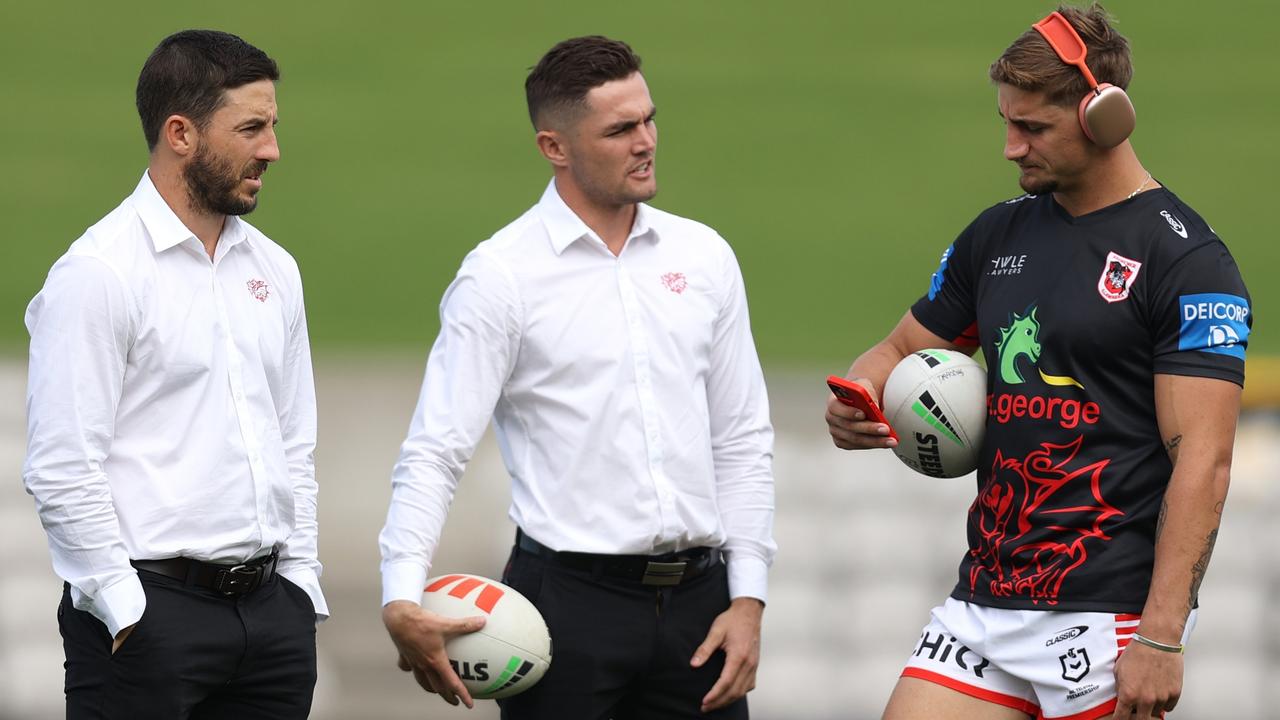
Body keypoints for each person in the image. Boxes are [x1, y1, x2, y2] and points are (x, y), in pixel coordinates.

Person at [825, 5, 1249, 719]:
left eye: (1033, 128)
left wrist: (1163, 636)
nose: (1011, 148)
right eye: (1007, 123)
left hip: (1108, 620)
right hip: (985, 604)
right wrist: (859, 395)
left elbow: (1203, 461)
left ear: (1103, 118)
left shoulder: (1186, 260)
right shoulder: (995, 235)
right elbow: (900, 350)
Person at [379, 35, 776, 719]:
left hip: (700, 610)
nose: (646, 141)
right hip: (564, 609)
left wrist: (748, 598)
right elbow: (437, 449)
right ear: (554, 147)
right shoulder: (499, 276)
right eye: (620, 129)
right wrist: (400, 597)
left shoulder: (704, 256)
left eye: (649, 119)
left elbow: (741, 437)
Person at [23, 29, 326, 719]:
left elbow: (294, 443)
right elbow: (63, 464)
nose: (271, 149)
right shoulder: (98, 275)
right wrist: (125, 608)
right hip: (150, 623)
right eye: (250, 128)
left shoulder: (275, 271)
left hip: (271, 622)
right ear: (181, 134)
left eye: (272, 125)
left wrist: (301, 586)